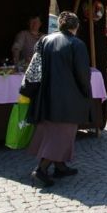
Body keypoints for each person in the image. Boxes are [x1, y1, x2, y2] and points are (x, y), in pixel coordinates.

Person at [27, 12, 92, 187]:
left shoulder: (45, 40)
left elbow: (35, 65)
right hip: (67, 99)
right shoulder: (76, 44)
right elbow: (83, 74)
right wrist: (86, 91)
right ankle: (41, 170)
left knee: (50, 131)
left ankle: (60, 166)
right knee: (62, 134)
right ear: (75, 26)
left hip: (45, 94)